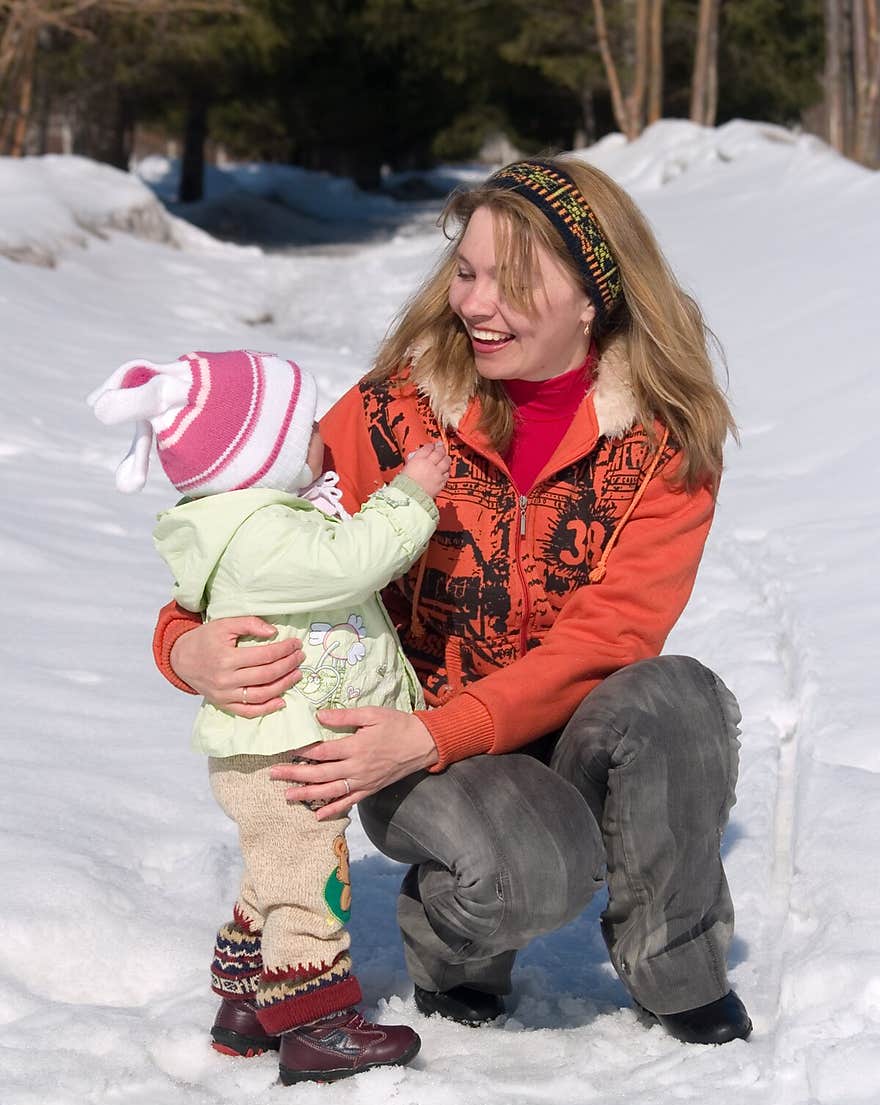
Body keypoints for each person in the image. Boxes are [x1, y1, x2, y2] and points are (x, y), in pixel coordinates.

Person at [153, 156, 753, 1048]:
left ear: (593, 297)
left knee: (680, 701)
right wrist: (184, 646)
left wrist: (451, 727)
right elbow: (247, 540)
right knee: (530, 868)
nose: (474, 304)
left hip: (554, 720)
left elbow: (609, 635)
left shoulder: (664, 441)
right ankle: (454, 938)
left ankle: (677, 966)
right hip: (413, 740)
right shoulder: (393, 412)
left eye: (509, 283)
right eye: (465, 273)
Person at [88, 347, 452, 1083]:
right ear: (263, 460)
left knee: (273, 873)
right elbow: (351, 560)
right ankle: (316, 1025)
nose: (322, 435)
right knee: (310, 884)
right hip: (285, 753)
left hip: (272, 750)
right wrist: (410, 495)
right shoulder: (261, 533)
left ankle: (248, 1006)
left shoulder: (239, 522)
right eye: (304, 429)